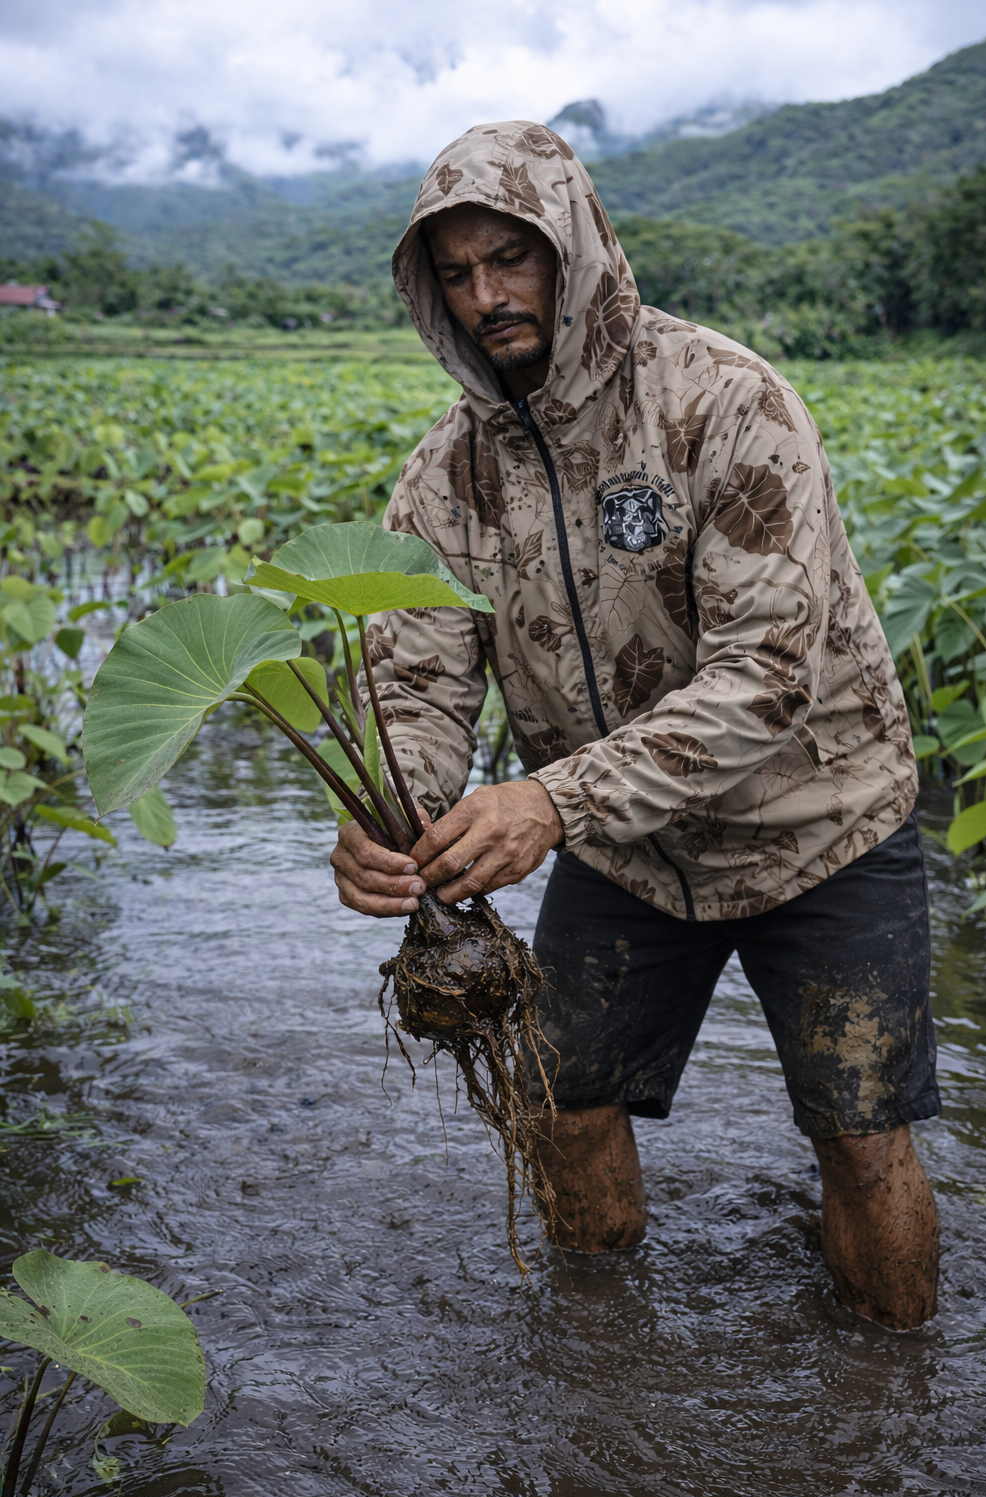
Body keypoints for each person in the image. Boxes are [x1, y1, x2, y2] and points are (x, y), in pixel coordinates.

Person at [330, 121, 940, 1330]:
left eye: (510, 259)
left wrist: (549, 801)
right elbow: (418, 686)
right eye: (454, 274)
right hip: (623, 853)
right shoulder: (444, 478)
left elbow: (767, 676)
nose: (485, 295)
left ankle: (893, 1388)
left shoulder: (724, 401)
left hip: (820, 825)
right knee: (561, 1106)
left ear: (577, 251)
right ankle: (602, 1360)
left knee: (859, 1139)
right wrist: (394, 823)